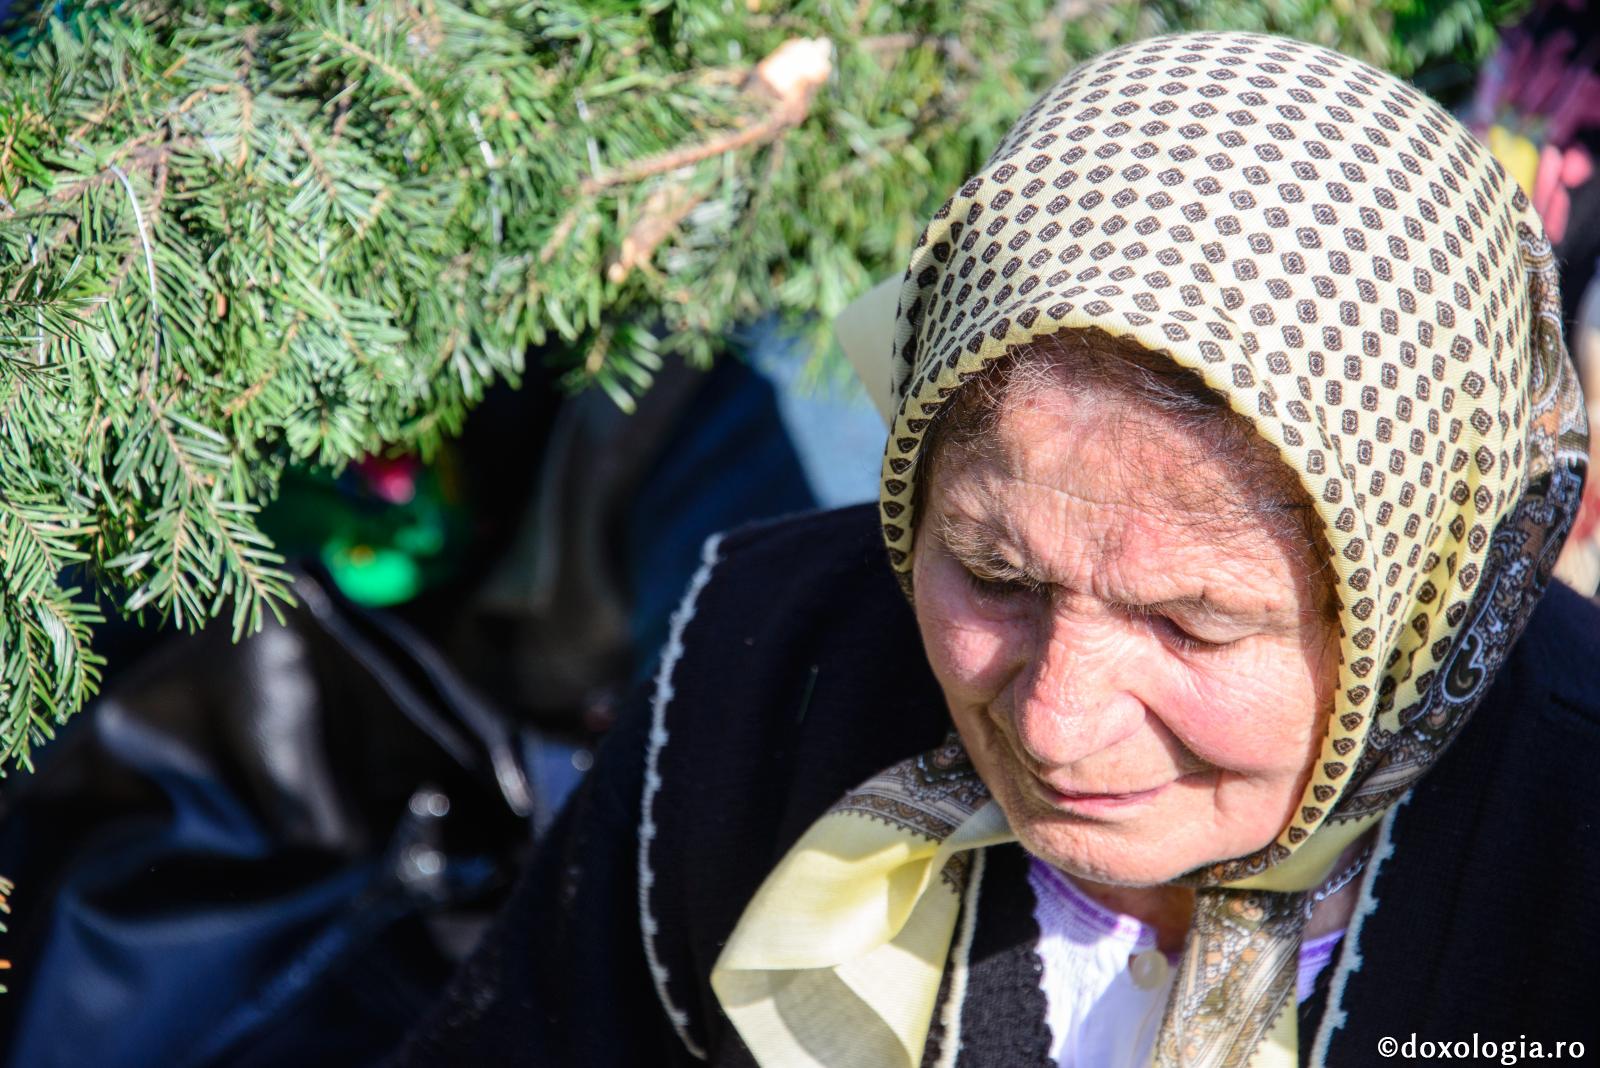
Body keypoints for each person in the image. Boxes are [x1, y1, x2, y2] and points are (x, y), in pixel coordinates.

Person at [392, 30, 1600, 1068]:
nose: (1052, 724)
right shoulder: (763, 669)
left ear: (1423, 588)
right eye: (994, 575)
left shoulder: (1571, 839)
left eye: (1193, 623)